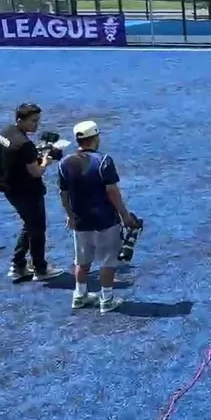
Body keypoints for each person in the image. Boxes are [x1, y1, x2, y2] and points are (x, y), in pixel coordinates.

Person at [57, 121, 140, 313]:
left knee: (82, 261)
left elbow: (63, 194)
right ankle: (107, 299)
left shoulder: (64, 163)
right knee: (108, 262)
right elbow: (112, 192)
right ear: (95, 138)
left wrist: (70, 216)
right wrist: (125, 216)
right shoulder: (104, 161)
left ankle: (79, 295)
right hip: (105, 220)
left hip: (81, 221)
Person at [0, 103, 65, 282]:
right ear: (20, 120)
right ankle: (40, 268)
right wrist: (46, 161)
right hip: (27, 191)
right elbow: (36, 172)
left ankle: (19, 265)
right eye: (33, 121)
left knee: (29, 224)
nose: (37, 124)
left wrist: (34, 155)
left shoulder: (5, 132)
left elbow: (15, 157)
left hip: (9, 187)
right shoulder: (24, 145)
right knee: (37, 228)